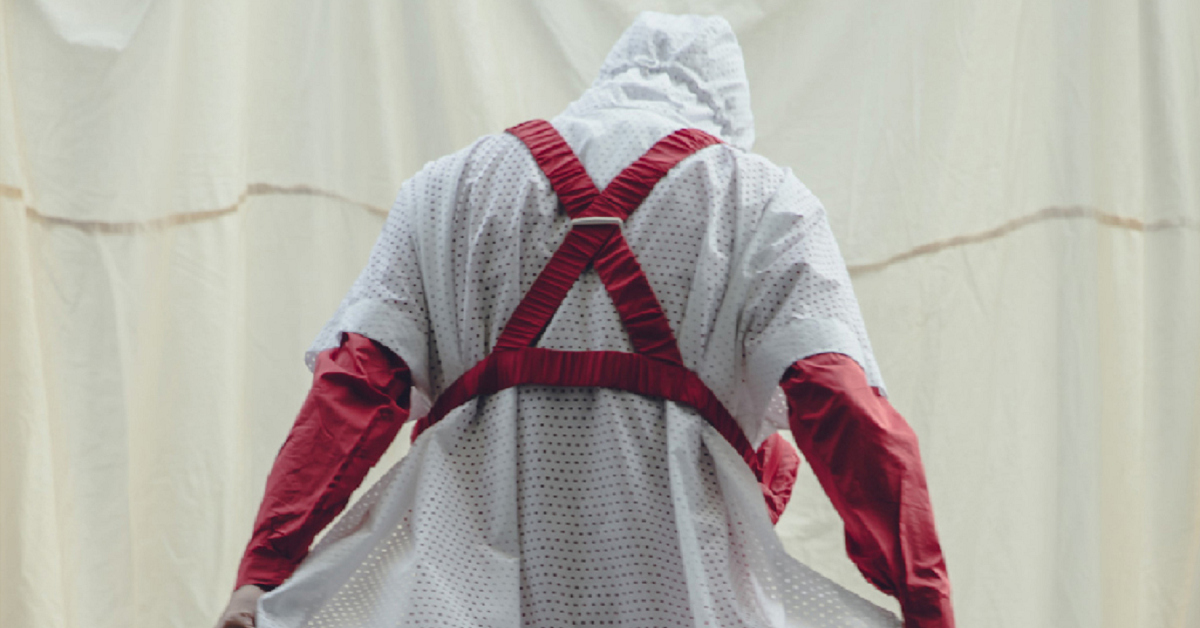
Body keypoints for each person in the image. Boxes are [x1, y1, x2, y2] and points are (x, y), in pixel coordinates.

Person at [216, 12, 954, 628]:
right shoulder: (764, 202)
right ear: (727, 123)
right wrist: (926, 605)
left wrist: (263, 573)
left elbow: (353, 389)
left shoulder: (443, 190)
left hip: (453, 591)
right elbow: (838, 403)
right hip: (678, 595)